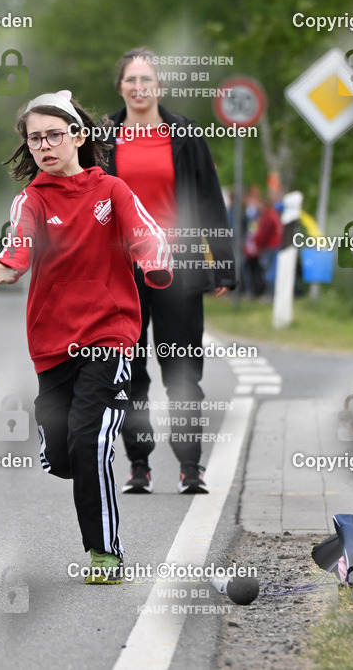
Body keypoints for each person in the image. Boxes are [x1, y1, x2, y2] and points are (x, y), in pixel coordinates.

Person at [0, 90, 172, 584]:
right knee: (64, 456)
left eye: (53, 135)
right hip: (52, 345)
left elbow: (146, 233)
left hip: (109, 337)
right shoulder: (33, 200)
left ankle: (104, 553)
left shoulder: (113, 192)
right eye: (34, 137)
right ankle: (63, 453)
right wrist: (7, 265)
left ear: (79, 136)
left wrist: (153, 262)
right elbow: (19, 243)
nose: (44, 145)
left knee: (91, 442)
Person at [104, 48, 236, 495]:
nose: (139, 88)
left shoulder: (184, 134)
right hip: (122, 270)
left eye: (147, 80)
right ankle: (138, 464)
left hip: (178, 267)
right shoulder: (103, 136)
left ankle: (189, 466)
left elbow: (209, 199)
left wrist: (223, 262)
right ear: (120, 87)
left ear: (159, 86)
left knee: (182, 371)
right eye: (130, 81)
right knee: (128, 371)